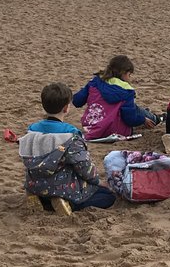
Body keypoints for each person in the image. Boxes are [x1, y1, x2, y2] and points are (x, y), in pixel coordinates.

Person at [21, 82, 116, 211]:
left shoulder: (32, 130)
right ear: (66, 108)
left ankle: (42, 199)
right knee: (107, 196)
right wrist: (97, 181)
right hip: (62, 187)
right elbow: (83, 166)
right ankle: (65, 203)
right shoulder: (70, 134)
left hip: (35, 185)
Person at [72, 55, 159, 141]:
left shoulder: (95, 82)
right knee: (134, 108)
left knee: (132, 108)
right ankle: (155, 118)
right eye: (129, 75)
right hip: (116, 131)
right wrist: (142, 120)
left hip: (91, 128)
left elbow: (77, 101)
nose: (130, 78)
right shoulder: (126, 90)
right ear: (124, 73)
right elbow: (129, 119)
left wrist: (90, 90)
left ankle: (150, 115)